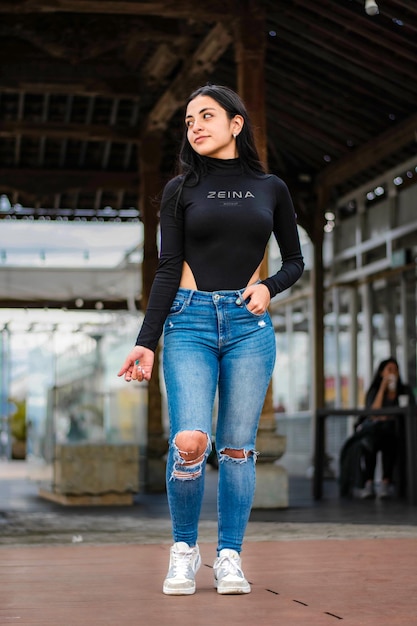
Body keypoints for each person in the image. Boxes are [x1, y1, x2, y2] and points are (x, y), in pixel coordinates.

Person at [118, 84, 304, 595]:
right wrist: (146, 342)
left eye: (206, 115)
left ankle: (229, 556)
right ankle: (183, 549)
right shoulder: (181, 191)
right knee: (190, 441)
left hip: (249, 327)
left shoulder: (272, 188)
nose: (195, 125)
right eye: (189, 119)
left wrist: (268, 287)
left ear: (236, 124)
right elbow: (166, 268)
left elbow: (295, 261)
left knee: (239, 449)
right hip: (189, 322)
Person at [360, 357, 415, 499]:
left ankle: (386, 482)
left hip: (396, 431)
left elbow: (409, 411)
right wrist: (383, 388)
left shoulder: (404, 390)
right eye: (389, 370)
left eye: (395, 370)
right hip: (375, 431)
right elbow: (373, 412)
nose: (393, 373)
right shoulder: (373, 391)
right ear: (381, 373)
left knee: (389, 440)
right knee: (370, 441)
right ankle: (369, 483)